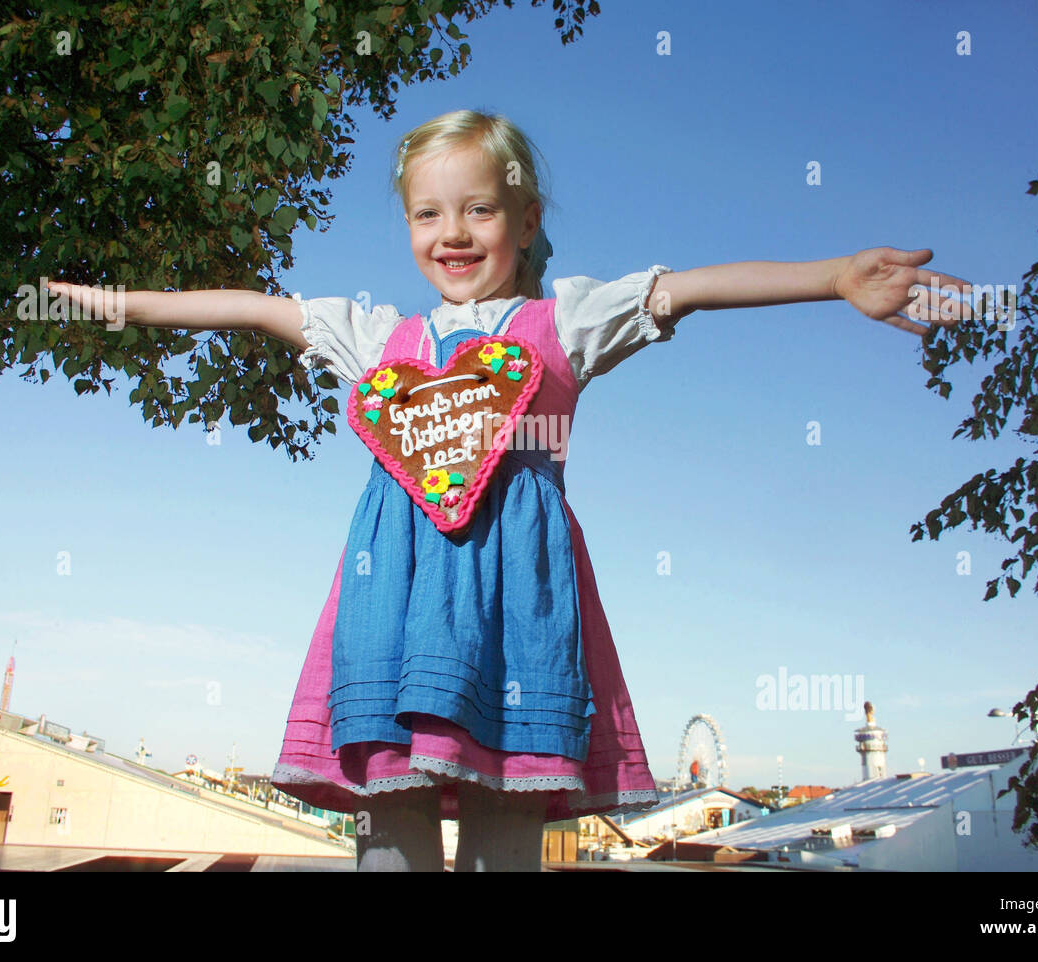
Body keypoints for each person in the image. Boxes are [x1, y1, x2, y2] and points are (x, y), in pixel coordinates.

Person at [48, 108, 970, 872]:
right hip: (393, 602)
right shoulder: (377, 337)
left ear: (524, 220)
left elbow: (687, 290)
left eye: (478, 211)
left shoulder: (560, 319)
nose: (451, 234)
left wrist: (833, 277)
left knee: (507, 820)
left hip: (516, 600)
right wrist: (125, 305)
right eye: (427, 216)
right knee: (389, 827)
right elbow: (252, 306)